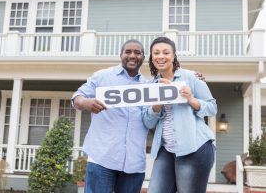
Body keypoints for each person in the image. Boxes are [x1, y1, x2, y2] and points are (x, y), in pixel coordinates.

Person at [142, 36, 217, 193]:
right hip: (165, 149)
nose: (161, 56)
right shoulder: (151, 86)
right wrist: (157, 104)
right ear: (151, 57)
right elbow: (148, 123)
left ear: (174, 55)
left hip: (194, 146)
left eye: (166, 52)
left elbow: (212, 108)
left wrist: (190, 99)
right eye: (156, 53)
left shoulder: (190, 77)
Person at [72, 39, 147, 193]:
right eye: (128, 52)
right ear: (121, 55)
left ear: (143, 58)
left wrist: (194, 77)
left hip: (134, 165)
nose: (132, 56)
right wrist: (86, 103)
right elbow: (77, 97)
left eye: (137, 52)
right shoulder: (102, 76)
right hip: (102, 159)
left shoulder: (148, 86)